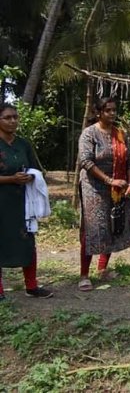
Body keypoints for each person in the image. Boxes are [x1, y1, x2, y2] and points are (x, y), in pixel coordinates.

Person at [78, 98, 130, 291]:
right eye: (108, 110)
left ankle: (102, 268)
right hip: (93, 186)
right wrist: (108, 180)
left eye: (114, 110)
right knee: (93, 229)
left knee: (114, 225)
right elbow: (86, 162)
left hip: (117, 186)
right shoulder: (89, 134)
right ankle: (84, 275)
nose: (112, 114)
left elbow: (129, 161)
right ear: (99, 113)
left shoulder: (120, 134)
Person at [0, 103, 54, 300]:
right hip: (2, 201)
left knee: (27, 241)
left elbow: (36, 169)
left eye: (15, 117)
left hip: (23, 202)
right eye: (7, 117)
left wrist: (31, 177)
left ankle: (31, 286)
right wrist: (10, 179)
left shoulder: (23, 144)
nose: (13, 121)